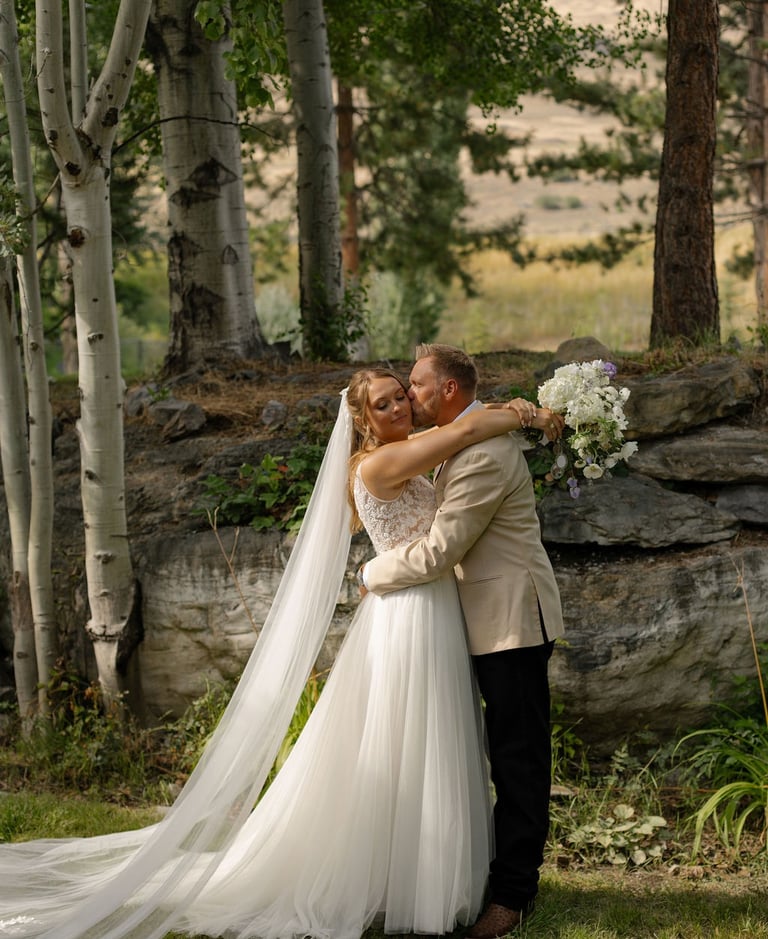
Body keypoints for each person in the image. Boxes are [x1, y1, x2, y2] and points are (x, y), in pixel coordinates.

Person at [0, 366, 560, 939]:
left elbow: (462, 427)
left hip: (433, 609)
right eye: (385, 403)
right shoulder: (381, 462)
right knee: (414, 739)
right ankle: (419, 883)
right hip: (411, 610)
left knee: (428, 741)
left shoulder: (411, 446)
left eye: (402, 395)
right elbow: (463, 433)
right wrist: (531, 415)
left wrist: (519, 411)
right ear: (362, 420)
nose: (400, 406)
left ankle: (427, 877)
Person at [362, 345, 566, 938]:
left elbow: (439, 551)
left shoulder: (483, 455)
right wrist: (525, 412)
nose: (409, 396)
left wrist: (371, 573)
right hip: (470, 620)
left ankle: (512, 897)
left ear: (448, 390)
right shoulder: (460, 440)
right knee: (482, 751)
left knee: (518, 758)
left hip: (509, 621)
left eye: (416, 386)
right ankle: (472, 877)